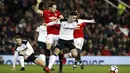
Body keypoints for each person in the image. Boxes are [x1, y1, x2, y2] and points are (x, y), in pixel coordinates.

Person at [34, 0, 64, 72]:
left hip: (58, 34)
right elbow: (36, 10)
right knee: (48, 47)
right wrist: (38, 3)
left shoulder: (57, 12)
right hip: (50, 34)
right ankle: (47, 66)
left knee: (61, 51)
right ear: (50, 8)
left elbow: (63, 18)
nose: (55, 9)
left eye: (56, 8)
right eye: (54, 8)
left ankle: (60, 68)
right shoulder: (45, 12)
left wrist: (58, 19)